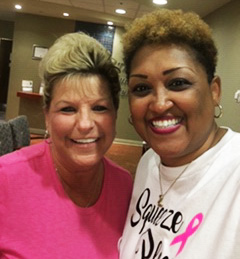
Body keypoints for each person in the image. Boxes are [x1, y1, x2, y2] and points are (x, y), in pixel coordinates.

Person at [119, 8, 240, 259]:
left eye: (178, 83)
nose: (160, 104)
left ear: (214, 90)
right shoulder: (148, 163)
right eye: (142, 88)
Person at [0, 32, 133, 258]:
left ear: (114, 115)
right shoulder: (5, 178)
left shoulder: (127, 187)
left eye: (99, 107)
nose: (84, 124)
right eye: (68, 109)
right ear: (47, 117)